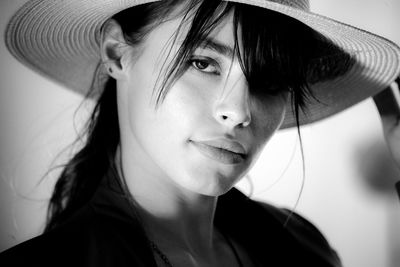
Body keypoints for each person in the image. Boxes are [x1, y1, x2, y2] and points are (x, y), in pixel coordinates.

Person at [1, 0, 400, 266]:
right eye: (203, 62)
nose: (239, 111)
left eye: (271, 78)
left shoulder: (302, 247)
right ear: (117, 54)